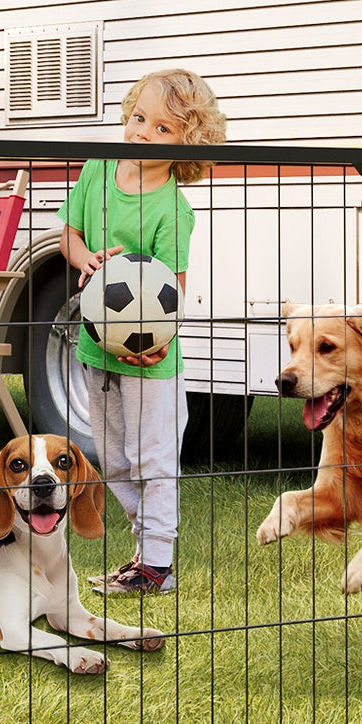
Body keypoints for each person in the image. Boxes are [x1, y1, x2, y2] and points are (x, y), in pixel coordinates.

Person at [59, 66, 227, 597]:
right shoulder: (96, 171)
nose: (142, 133)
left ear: (187, 143)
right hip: (96, 346)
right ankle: (144, 549)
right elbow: (70, 232)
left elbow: (171, 290)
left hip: (150, 359)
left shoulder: (172, 209)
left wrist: (156, 343)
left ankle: (158, 561)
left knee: (153, 458)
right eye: (139, 118)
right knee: (111, 460)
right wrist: (84, 258)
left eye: (163, 129)